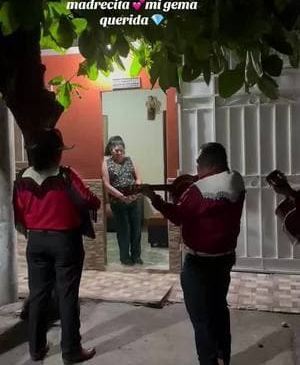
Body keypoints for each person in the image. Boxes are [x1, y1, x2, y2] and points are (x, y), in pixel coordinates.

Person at [141, 142, 245, 365]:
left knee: (201, 318)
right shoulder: (237, 180)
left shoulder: (198, 191)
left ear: (209, 164)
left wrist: (154, 197)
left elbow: (177, 215)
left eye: (199, 164)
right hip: (225, 259)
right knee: (219, 309)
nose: (196, 168)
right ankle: (222, 356)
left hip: (199, 263)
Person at [13, 128, 100, 364]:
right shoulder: (66, 176)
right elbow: (91, 200)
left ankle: (36, 348)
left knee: (38, 295)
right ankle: (71, 351)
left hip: (36, 242)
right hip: (65, 243)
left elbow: (19, 213)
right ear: (55, 154)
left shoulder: (21, 178)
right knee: (67, 295)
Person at [102, 136, 143, 265]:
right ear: (110, 150)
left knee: (136, 229)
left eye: (121, 150)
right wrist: (121, 196)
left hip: (134, 199)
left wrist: (135, 191)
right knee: (124, 230)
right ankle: (125, 257)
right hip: (118, 201)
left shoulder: (130, 160)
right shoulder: (106, 163)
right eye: (116, 150)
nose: (119, 153)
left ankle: (136, 255)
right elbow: (107, 184)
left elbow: (138, 178)